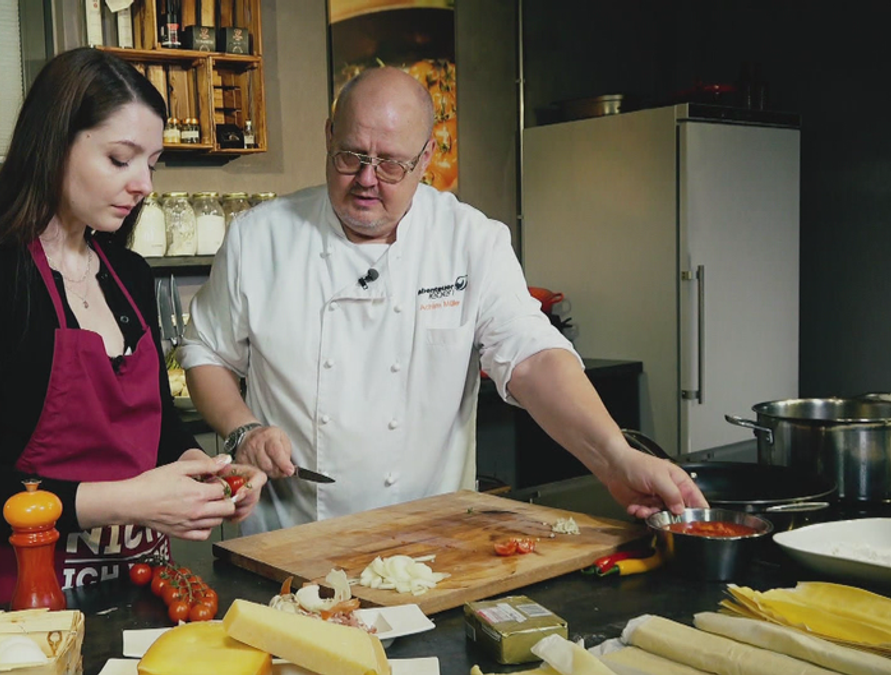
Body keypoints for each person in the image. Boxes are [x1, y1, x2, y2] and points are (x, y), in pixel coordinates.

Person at [177, 67, 706, 534]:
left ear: (427, 157)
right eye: (350, 156)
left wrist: (615, 458)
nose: (366, 180)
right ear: (327, 136)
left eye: (390, 165)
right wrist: (243, 428)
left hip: (432, 541)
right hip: (288, 538)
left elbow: (532, 358)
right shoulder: (258, 237)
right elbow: (204, 351)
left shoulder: (470, 240)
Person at [0, 47, 266, 610]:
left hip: (148, 588)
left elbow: (154, 426)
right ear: (54, 144)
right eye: (121, 159)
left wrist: (199, 472)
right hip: (29, 601)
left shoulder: (129, 274)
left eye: (153, 162)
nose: (144, 184)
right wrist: (125, 502)